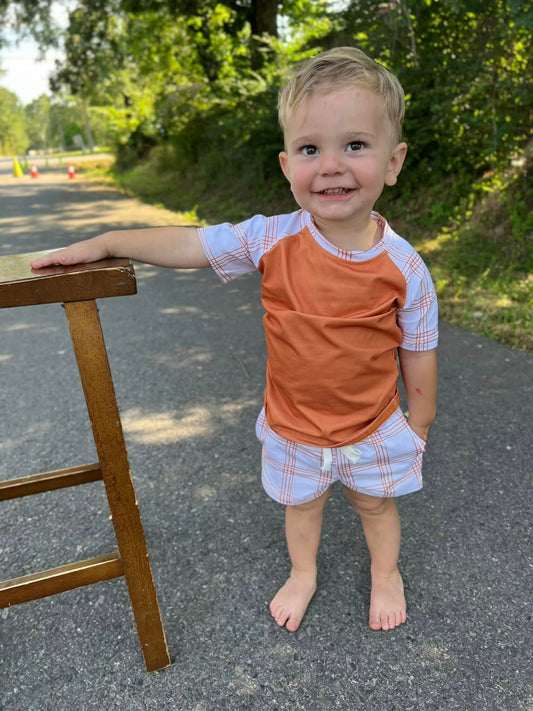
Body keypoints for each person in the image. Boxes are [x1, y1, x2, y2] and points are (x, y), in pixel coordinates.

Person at [30, 47, 438, 634]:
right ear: (286, 165)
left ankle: (386, 574)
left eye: (354, 145)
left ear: (393, 161)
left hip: (372, 425)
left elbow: (419, 351)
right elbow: (193, 246)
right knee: (302, 506)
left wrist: (417, 427)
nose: (330, 165)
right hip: (294, 424)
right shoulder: (272, 238)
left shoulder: (404, 266)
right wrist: (107, 240)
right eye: (309, 149)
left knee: (376, 504)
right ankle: (303, 573)